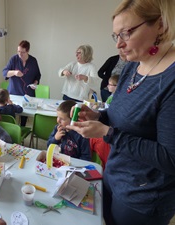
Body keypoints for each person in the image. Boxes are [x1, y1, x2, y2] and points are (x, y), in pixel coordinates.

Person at [67, 1, 175, 224]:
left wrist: (107, 133)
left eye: (126, 33)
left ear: (161, 25)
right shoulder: (132, 65)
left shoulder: (170, 81)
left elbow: (170, 158)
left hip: (143, 198)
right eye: (115, 36)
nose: (119, 45)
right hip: (113, 175)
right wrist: (98, 117)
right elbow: (121, 116)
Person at [2, 40, 41, 126]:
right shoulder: (14, 59)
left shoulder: (33, 61)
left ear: (27, 51)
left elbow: (37, 75)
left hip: (28, 94)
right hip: (14, 92)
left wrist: (35, 83)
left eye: (22, 52)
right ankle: (14, 129)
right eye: (18, 51)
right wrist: (14, 72)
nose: (20, 54)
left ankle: (22, 127)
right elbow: (4, 72)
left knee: (25, 114)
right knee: (12, 112)